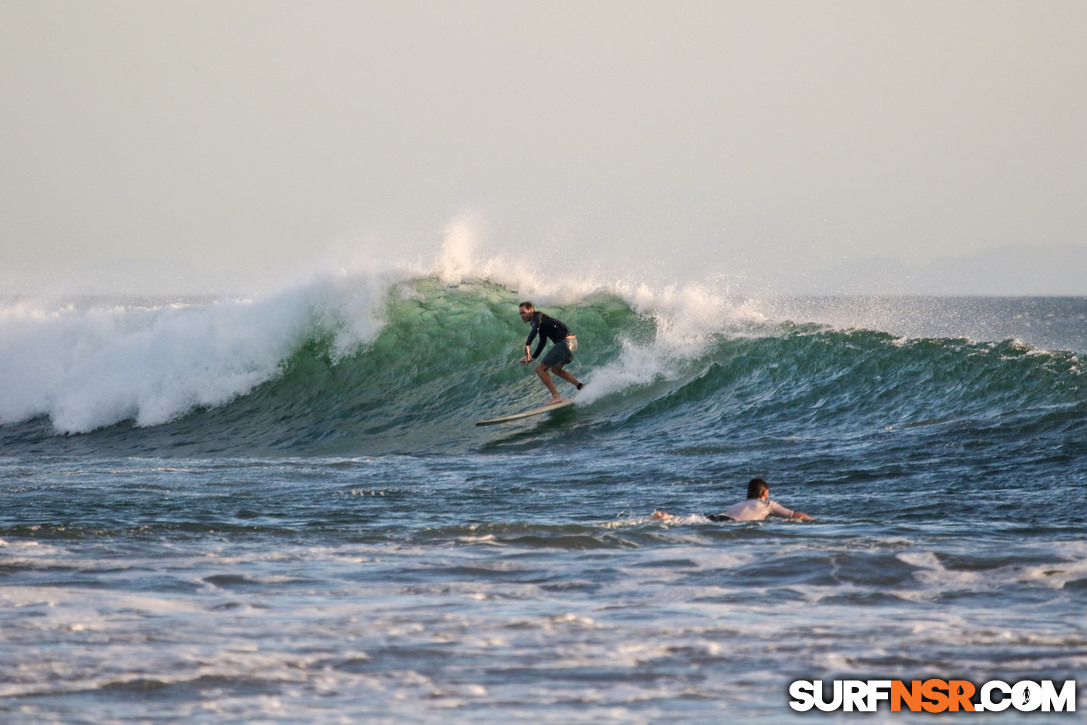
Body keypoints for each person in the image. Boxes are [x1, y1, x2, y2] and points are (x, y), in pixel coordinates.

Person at [652, 477, 815, 522]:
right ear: (765, 493)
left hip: (719, 517)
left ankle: (666, 517)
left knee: (690, 521)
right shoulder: (766, 504)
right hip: (727, 523)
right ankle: (667, 518)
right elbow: (793, 515)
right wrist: (812, 520)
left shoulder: (742, 503)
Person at [518, 301, 584, 404]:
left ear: (531, 310)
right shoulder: (540, 323)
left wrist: (527, 344)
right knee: (555, 370)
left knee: (540, 369)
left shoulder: (537, 316)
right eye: (520, 313)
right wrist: (533, 357)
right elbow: (542, 342)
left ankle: (556, 396)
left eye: (523, 312)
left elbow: (535, 328)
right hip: (573, 342)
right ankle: (580, 386)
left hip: (565, 343)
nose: (521, 315)